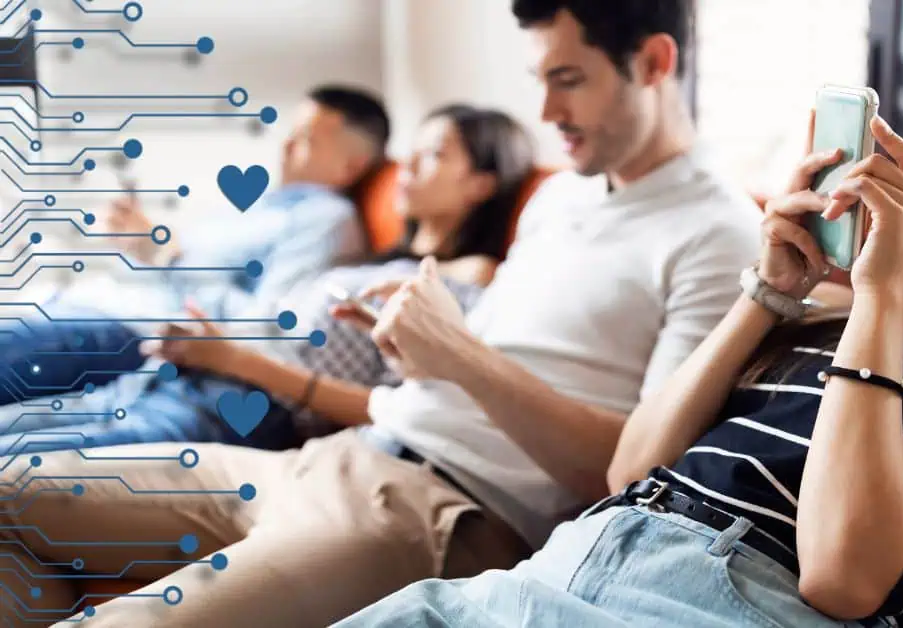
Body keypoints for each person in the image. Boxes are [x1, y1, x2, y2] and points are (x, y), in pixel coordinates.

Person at [336, 66, 903, 627]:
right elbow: (633, 465)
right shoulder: (841, 323)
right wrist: (770, 292)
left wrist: (879, 290)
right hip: (560, 568)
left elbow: (846, 580)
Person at [0, 2, 766, 626]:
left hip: (434, 517)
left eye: (568, 80)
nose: (545, 110)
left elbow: (632, 472)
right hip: (331, 456)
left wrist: (461, 355)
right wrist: (420, 355)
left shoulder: (717, 233)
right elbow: (484, 382)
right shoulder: (563, 195)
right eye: (538, 78)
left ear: (656, 63)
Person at [0, 104, 535, 453]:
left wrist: (230, 356)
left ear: (482, 184)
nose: (409, 165)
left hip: (251, 405)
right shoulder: (366, 262)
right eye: (411, 150)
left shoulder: (468, 279)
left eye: (435, 154)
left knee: (29, 459)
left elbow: (397, 408)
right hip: (189, 372)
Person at [0, 85, 389, 406]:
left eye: (306, 139)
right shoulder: (259, 206)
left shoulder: (326, 219)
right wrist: (144, 246)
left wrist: (167, 256)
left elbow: (265, 327)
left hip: (136, 331)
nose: (286, 144)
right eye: (291, 131)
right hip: (100, 302)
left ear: (349, 167)